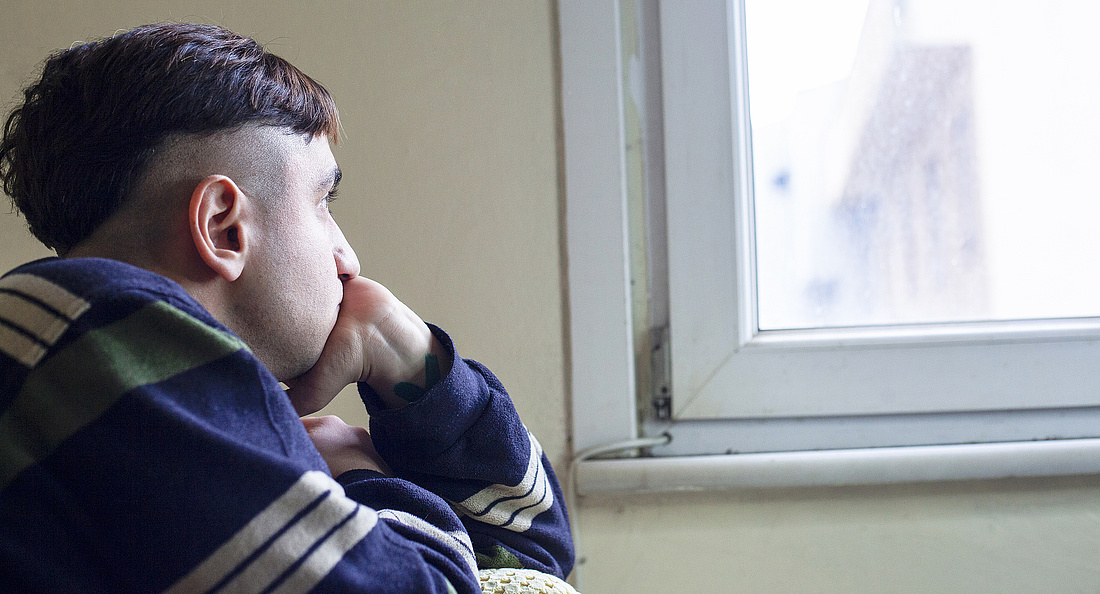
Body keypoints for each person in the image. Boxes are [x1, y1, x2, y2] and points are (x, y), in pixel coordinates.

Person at [0, 22, 573, 593]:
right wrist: (354, 470)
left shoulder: (112, 400)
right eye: (323, 202)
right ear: (223, 228)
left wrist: (415, 365)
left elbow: (528, 559)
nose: (347, 257)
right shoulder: (94, 334)